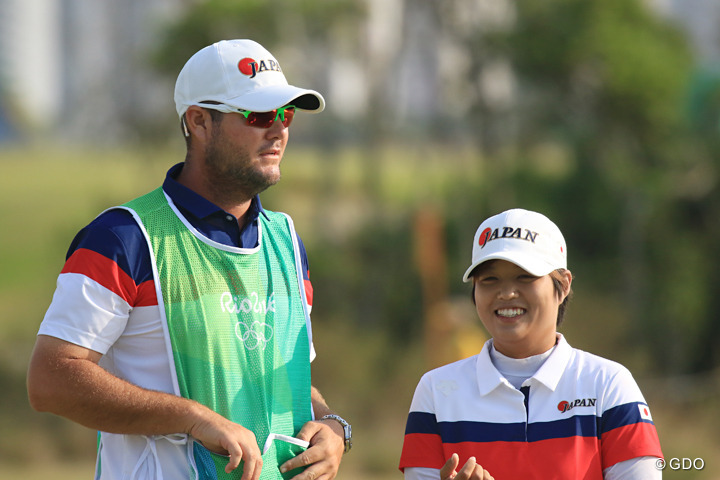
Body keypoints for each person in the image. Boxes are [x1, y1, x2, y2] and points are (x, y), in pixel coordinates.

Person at [27, 39, 352, 480]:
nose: (277, 130)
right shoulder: (121, 237)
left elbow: (282, 382)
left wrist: (333, 426)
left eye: (286, 114)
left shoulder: (287, 241)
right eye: (258, 115)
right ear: (199, 122)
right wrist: (191, 417)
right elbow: (50, 380)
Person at [399, 208, 663, 480]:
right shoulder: (437, 391)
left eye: (525, 276)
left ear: (563, 286)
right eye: (490, 279)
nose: (506, 293)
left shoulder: (608, 385)